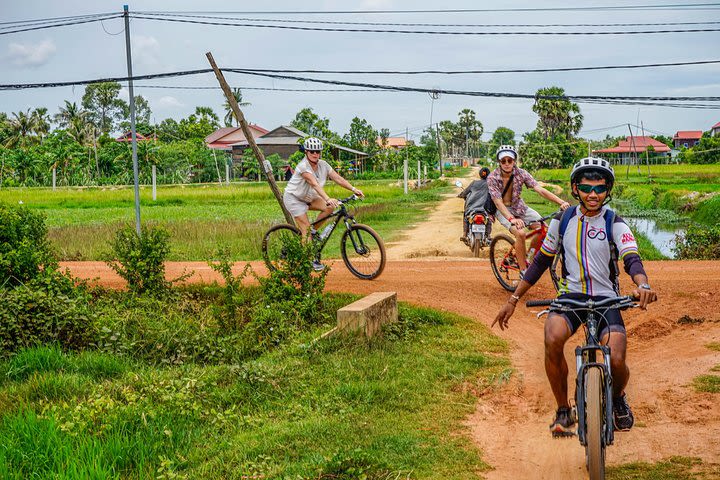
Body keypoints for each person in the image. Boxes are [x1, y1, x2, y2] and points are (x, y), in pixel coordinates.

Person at [491, 157, 658, 437]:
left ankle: (617, 399)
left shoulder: (615, 222)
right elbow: (540, 262)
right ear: (575, 188)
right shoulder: (562, 220)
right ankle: (562, 411)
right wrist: (513, 299)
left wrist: (642, 285)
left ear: (608, 190)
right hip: (570, 298)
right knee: (552, 337)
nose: (593, 194)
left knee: (616, 359)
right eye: (586, 187)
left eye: (600, 188)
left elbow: (633, 261)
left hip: (607, 299)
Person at [283, 137, 364, 271]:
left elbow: (338, 178)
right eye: (312, 152)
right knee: (306, 229)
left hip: (309, 197)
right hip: (294, 198)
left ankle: (313, 232)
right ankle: (309, 261)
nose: (315, 154)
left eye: (318, 152)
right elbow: (314, 184)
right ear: (306, 152)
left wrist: (354, 189)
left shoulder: (324, 165)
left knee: (331, 208)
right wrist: (327, 198)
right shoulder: (303, 167)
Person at [487, 145, 570, 274]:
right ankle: (523, 271)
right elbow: (498, 203)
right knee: (520, 233)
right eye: (503, 161)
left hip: (519, 207)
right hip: (504, 210)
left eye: (510, 160)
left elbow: (540, 190)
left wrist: (561, 202)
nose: (507, 164)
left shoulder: (521, 173)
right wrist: (512, 219)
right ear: (499, 162)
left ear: (514, 161)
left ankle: (529, 258)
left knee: (543, 229)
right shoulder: (492, 178)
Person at [458, 167, 493, 244]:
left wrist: (460, 195)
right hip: (485, 209)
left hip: (472, 208)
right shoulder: (491, 184)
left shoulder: (474, 183)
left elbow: (465, 192)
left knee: (466, 218)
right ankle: (488, 235)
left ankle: (464, 234)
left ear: (480, 175)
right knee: (488, 219)